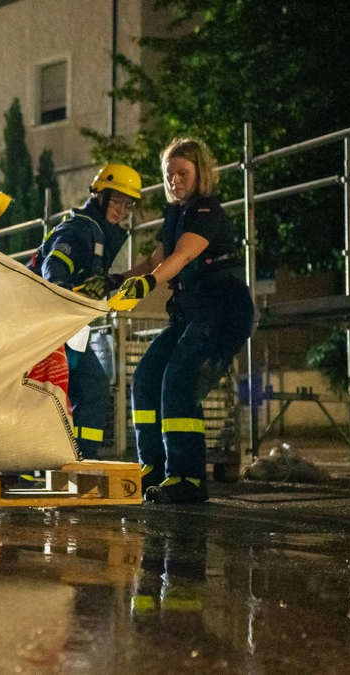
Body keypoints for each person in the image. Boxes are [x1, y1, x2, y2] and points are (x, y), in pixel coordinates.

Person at [118, 137, 253, 504]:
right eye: (169, 174)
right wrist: (116, 279)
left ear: (200, 174)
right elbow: (153, 260)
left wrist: (146, 284)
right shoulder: (176, 214)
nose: (174, 180)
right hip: (191, 314)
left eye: (182, 173)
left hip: (222, 312)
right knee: (145, 380)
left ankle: (188, 478)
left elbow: (179, 258)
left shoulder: (206, 213)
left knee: (179, 381)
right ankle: (156, 470)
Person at [29, 163, 142, 459]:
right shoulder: (81, 228)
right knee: (70, 389)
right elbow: (53, 265)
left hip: (64, 326)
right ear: (99, 196)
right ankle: (41, 463)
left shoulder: (99, 232)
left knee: (90, 387)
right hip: (50, 323)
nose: (122, 209)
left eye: (128, 204)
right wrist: (63, 288)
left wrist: (111, 281)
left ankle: (79, 458)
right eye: (117, 200)